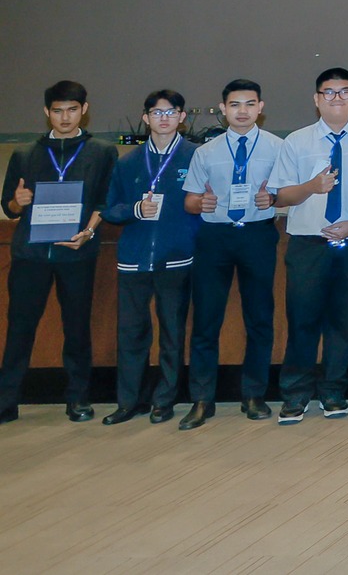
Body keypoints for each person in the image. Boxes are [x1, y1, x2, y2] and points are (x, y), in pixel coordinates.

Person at [268, 67, 348, 424]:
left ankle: (333, 391)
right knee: (302, 321)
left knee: (344, 323)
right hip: (308, 243)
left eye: (344, 91)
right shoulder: (296, 141)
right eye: (328, 92)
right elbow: (280, 195)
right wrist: (311, 187)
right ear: (316, 100)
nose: (337, 98)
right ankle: (295, 394)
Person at [0, 80, 116, 425]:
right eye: (57, 111)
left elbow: (105, 201)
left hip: (77, 254)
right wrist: (17, 202)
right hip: (30, 256)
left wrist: (88, 233)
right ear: (46, 112)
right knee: (19, 329)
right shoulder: (25, 154)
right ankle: (6, 401)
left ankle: (78, 399)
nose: (65, 117)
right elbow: (8, 207)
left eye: (72, 110)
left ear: (84, 110)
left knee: (77, 329)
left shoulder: (101, 152)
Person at [178, 78, 285, 429]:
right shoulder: (205, 152)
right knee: (206, 319)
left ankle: (254, 395)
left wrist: (273, 198)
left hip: (257, 235)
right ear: (223, 109)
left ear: (260, 108)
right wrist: (200, 203)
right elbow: (190, 201)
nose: (243, 111)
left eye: (250, 104)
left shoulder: (277, 148)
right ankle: (202, 399)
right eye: (235, 105)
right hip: (215, 237)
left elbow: (288, 194)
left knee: (259, 317)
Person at [99, 89, 199, 425]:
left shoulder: (195, 156)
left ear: (182, 117)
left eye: (171, 112)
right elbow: (109, 209)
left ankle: (164, 400)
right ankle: (130, 401)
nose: (164, 118)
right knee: (131, 333)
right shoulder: (127, 162)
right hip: (134, 259)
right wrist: (135, 209)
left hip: (177, 258)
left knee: (172, 333)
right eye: (157, 113)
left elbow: (206, 204)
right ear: (146, 118)